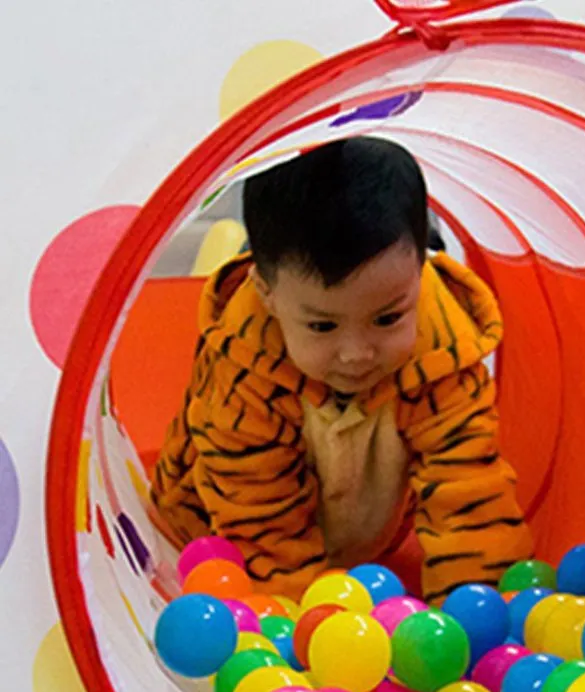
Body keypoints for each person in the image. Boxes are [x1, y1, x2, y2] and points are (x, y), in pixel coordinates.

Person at [150, 137, 532, 602]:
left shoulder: (441, 352)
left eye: (388, 318)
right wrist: (299, 634)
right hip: (208, 535)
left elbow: (468, 493)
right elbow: (258, 519)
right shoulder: (245, 369)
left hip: (362, 544)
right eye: (322, 325)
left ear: (420, 272)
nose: (356, 353)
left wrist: (476, 617)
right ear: (266, 293)